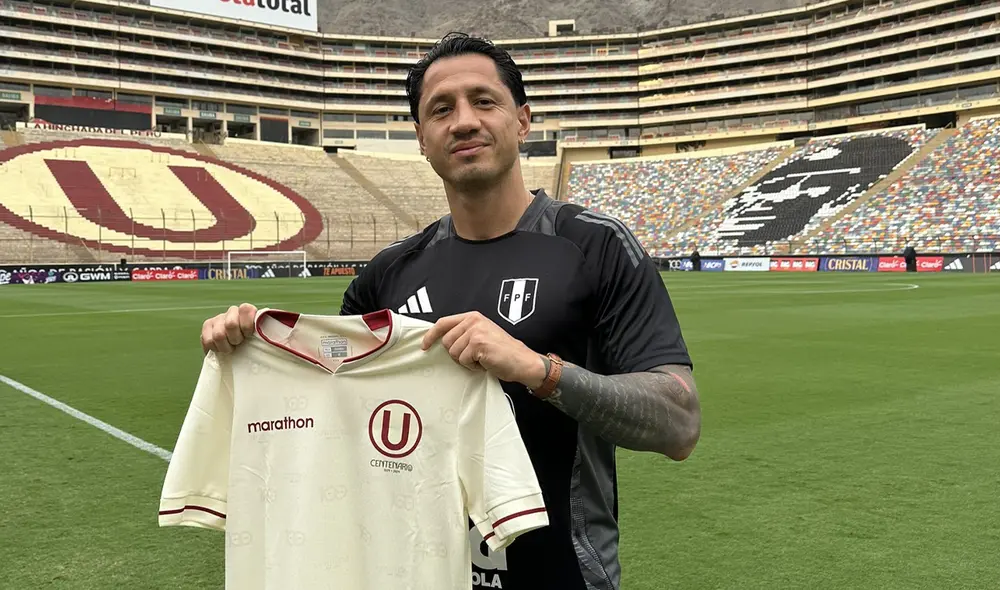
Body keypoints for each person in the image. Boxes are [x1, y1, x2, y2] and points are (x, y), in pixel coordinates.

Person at [200, 32, 701, 590]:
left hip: (564, 577)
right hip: (416, 574)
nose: (463, 121)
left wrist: (540, 370)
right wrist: (248, 341)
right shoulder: (385, 276)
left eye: (484, 101)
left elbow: (679, 424)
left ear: (523, 121)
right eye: (441, 109)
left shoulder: (594, 247)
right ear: (421, 138)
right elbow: (332, 420)